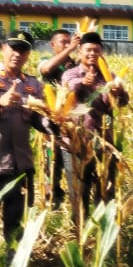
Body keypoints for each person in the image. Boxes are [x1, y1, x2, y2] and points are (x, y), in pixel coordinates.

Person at [0, 31, 53, 254]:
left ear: (28, 55)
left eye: (23, 49)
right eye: (13, 48)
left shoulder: (34, 85)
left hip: (20, 167)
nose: (17, 53)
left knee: (16, 226)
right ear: (3, 48)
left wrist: (55, 124)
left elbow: (37, 118)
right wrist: (0, 100)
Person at [60, 32, 129, 222]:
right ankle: (80, 233)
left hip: (104, 143)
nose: (92, 54)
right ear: (80, 52)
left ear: (101, 52)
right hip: (76, 144)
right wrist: (82, 84)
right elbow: (68, 92)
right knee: (78, 191)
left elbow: (123, 103)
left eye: (96, 50)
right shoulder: (70, 74)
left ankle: (104, 231)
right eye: (88, 50)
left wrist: (119, 92)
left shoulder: (110, 76)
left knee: (105, 190)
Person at [38, 28, 81, 208]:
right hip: (50, 125)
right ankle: (52, 202)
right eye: (63, 42)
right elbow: (47, 69)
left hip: (72, 125)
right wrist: (70, 49)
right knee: (51, 164)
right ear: (52, 45)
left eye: (69, 41)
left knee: (73, 165)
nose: (67, 44)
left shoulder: (75, 65)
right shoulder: (46, 62)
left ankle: (76, 203)